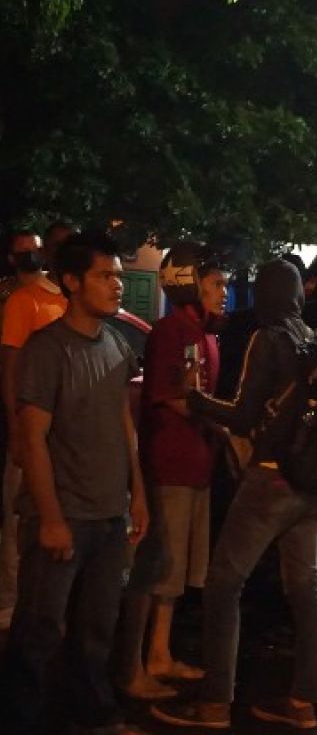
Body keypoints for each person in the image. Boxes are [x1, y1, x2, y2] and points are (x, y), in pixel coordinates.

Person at [152, 259, 317, 731]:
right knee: (306, 588)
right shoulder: (315, 341)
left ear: (264, 296)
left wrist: (194, 398)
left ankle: (214, 704)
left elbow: (244, 415)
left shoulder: (269, 338)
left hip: (273, 481)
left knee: (224, 584)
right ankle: (302, 704)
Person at [0, 231, 149, 735]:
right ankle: (19, 721)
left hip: (110, 514)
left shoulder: (116, 344)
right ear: (71, 281)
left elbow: (125, 428)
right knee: (37, 632)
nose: (117, 285)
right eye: (105, 275)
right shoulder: (47, 350)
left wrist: (138, 496)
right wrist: (51, 518)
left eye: (119, 277)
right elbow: (33, 438)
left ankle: (93, 716)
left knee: (96, 631)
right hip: (62, 515)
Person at [116, 243, 229, 700]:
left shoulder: (206, 335)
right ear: (188, 284)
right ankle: (134, 665)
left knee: (177, 573)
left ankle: (159, 654)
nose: (224, 292)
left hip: (197, 468)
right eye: (216, 284)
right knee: (156, 569)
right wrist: (227, 423)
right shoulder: (171, 331)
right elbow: (170, 398)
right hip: (169, 467)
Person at [0, 224, 74, 630]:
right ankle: (12, 601)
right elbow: (11, 367)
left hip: (63, 434)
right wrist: (15, 428)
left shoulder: (65, 299)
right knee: (18, 515)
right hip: (30, 427)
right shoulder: (20, 301)